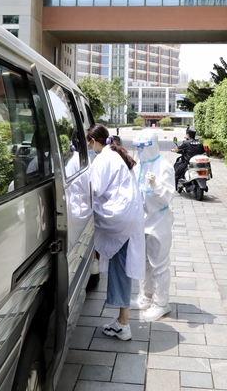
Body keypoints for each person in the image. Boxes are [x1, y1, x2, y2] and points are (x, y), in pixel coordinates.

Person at [87, 123, 145, 341]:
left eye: (88, 142)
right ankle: (122, 320)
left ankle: (123, 324)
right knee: (122, 267)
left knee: (121, 269)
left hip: (120, 219)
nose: (88, 147)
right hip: (127, 217)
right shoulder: (114, 154)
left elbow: (94, 189)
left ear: (94, 141)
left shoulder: (103, 159)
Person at [130, 129, 175, 322]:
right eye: (138, 148)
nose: (140, 151)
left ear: (153, 146)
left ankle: (162, 303)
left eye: (143, 148)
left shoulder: (164, 167)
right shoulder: (140, 164)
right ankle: (147, 296)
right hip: (142, 221)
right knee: (145, 263)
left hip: (158, 222)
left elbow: (167, 197)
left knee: (159, 264)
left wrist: (156, 185)